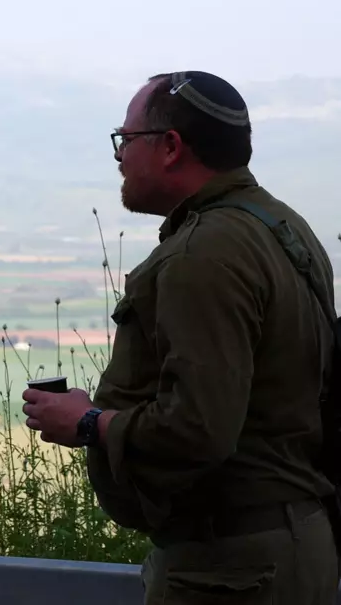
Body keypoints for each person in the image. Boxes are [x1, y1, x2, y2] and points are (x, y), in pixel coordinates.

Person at [23, 71, 339, 604]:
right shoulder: (285, 228)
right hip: (292, 545)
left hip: (228, 568)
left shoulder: (204, 253)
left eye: (126, 140)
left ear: (170, 147)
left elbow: (198, 428)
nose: (120, 157)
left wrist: (86, 422)